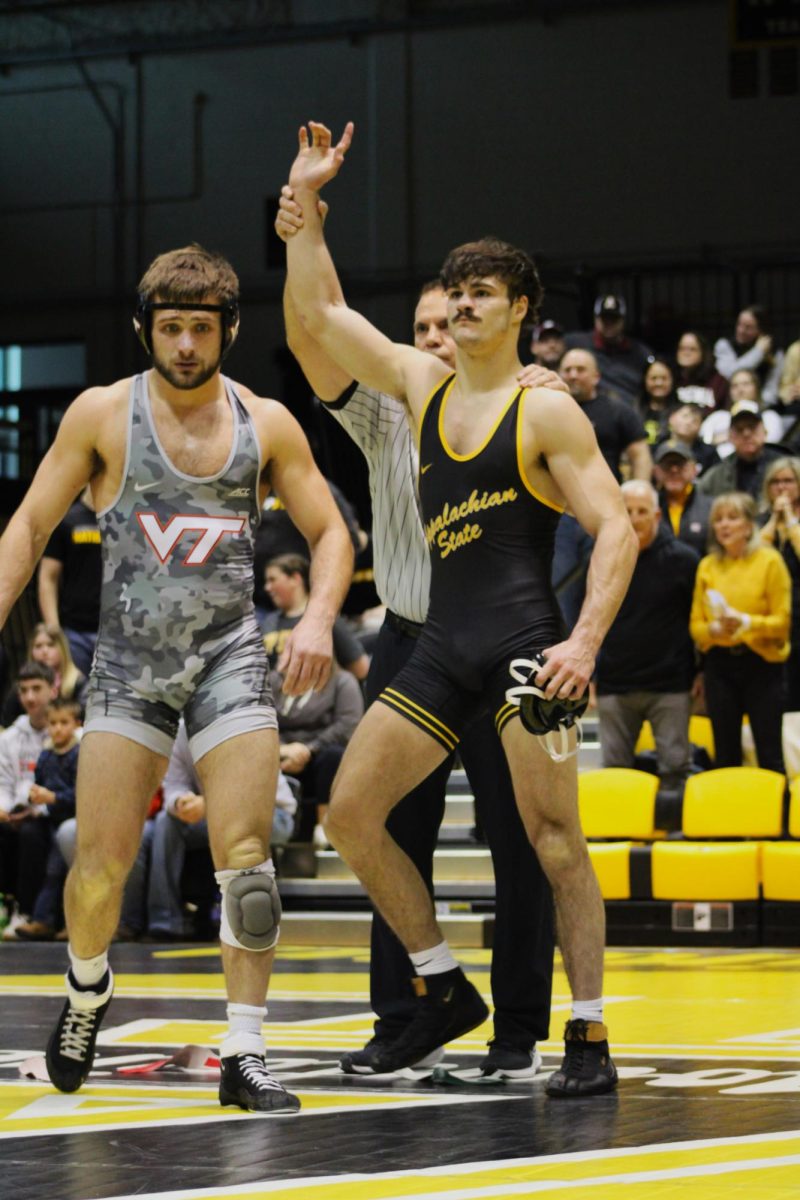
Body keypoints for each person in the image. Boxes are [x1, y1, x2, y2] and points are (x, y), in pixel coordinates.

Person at [284, 121, 638, 1097]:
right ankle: (441, 987)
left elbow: (614, 528)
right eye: (455, 294)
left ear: (520, 309)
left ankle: (587, 1033)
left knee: (553, 844)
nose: (463, 306)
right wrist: (305, 207)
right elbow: (318, 313)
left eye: (482, 293)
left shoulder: (547, 410)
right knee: (353, 814)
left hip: (527, 649)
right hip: (440, 642)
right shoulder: (421, 385)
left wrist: (581, 641)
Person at [0, 242, 353, 1114]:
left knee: (248, 863)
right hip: (128, 664)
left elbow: (335, 533)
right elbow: (30, 522)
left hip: (231, 658)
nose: (186, 344)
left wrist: (313, 620)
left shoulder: (265, 422)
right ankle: (87, 991)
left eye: (201, 327)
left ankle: (245, 1048)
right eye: (170, 328)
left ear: (228, 329)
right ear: (143, 329)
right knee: (98, 864)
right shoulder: (99, 415)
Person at [278, 192, 560, 1078]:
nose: (439, 334)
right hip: (411, 640)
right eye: (426, 323)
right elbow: (310, 329)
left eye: (453, 319)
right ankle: (409, 1012)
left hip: (502, 641)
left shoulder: (530, 404)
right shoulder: (385, 409)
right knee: (388, 830)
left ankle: (516, 1029)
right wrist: (301, 226)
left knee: (525, 842)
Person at [146, 720, 297, 940]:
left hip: (272, 813)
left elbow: (253, 791)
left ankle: (237, 917)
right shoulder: (182, 730)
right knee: (166, 822)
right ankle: (166, 921)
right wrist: (180, 802)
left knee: (228, 822)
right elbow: (174, 784)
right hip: (213, 813)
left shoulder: (242, 722)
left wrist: (209, 804)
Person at [596, 481, 699, 791]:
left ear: (656, 516)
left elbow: (697, 620)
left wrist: (701, 671)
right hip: (614, 683)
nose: (634, 517)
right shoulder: (602, 558)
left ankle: (678, 836)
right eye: (627, 511)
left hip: (670, 685)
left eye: (642, 511)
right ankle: (619, 834)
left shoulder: (685, 560)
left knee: (676, 768)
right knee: (615, 772)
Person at [690, 492, 790, 773]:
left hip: (762, 663)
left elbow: (782, 623)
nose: (724, 525)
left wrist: (747, 623)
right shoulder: (707, 565)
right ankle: (728, 816)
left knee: (769, 754)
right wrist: (713, 628)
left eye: (732, 518)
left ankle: (777, 815)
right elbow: (696, 627)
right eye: (718, 520)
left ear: (748, 526)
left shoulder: (769, 561)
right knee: (725, 755)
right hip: (720, 666)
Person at [554, 347, 650, 629]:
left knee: (602, 587)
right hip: (558, 514)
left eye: (580, 370)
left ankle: (596, 660)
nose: (573, 375)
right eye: (568, 369)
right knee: (560, 587)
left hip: (603, 513)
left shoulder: (616, 410)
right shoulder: (549, 408)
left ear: (596, 376)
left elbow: (640, 454)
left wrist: (637, 491)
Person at [271, 665, 363, 846]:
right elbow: (260, 719)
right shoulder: (272, 681)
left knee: (334, 757)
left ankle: (325, 826)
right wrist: (282, 750)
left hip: (321, 752)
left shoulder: (342, 680)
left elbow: (347, 724)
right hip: (279, 753)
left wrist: (308, 750)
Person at [14, 698, 81, 941]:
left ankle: (55, 922)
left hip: (75, 821)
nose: (57, 729)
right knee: (51, 871)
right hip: (51, 821)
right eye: (53, 723)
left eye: (64, 722)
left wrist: (53, 797)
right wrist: (31, 796)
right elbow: (37, 781)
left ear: (76, 724)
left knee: (60, 871)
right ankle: (44, 919)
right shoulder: (46, 754)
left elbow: (82, 794)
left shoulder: (79, 753)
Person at [0, 663, 58, 935]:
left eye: (37, 689)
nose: (30, 697)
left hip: (52, 814)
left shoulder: (65, 732)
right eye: (24, 690)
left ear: (53, 689)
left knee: (31, 833)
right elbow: (4, 782)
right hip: (17, 811)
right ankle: (6, 905)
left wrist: (38, 810)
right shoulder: (10, 736)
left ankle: (26, 911)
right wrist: (4, 808)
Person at [262, 553, 369, 681]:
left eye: (273, 580)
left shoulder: (324, 618)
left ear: (295, 579)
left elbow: (361, 668)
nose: (267, 587)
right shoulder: (268, 622)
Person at [37, 485, 102, 677]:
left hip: (114, 633)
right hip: (74, 632)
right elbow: (48, 577)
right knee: (72, 697)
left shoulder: (120, 522)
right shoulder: (67, 520)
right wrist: (53, 627)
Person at [758, 458, 800, 712]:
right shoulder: (762, 519)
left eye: (788, 481)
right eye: (775, 481)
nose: (782, 487)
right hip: (771, 618)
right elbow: (756, 557)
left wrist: (791, 521)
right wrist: (775, 519)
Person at [564, 293, 652, 406]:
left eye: (614, 319)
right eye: (605, 319)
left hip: (630, 410)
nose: (609, 323)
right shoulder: (575, 342)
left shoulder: (641, 352)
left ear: (623, 320)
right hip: (587, 408)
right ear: (596, 319)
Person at [699, 398, 786, 504]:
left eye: (752, 427)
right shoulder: (716, 477)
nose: (746, 434)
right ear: (730, 436)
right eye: (739, 429)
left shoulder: (787, 468)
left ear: (765, 432)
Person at [1, 623, 88, 726]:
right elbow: (6, 722)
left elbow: (85, 718)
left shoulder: (78, 682)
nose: (44, 651)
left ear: (63, 649)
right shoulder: (23, 684)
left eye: (51, 645)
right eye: (38, 646)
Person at [714, 306, 784, 408]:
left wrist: (755, 407)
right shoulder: (725, 344)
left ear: (761, 330)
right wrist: (758, 352)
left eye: (748, 327)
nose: (741, 330)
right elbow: (728, 374)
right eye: (739, 324)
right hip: (729, 405)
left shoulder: (775, 353)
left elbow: (772, 389)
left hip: (762, 406)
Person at [653, 440, 713, 557]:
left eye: (680, 464)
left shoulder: (711, 507)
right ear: (656, 471)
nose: (674, 470)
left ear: (694, 469)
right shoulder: (646, 508)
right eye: (667, 464)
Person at [658, 395, 719, 477]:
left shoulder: (709, 453)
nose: (689, 422)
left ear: (700, 427)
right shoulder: (657, 447)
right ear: (671, 418)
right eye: (685, 416)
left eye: (695, 420)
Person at [673, 330, 728, 409]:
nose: (686, 353)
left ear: (703, 352)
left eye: (692, 349)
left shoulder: (718, 381)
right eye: (682, 348)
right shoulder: (671, 378)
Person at [637, 358, 680, 445]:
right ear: (644, 380)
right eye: (653, 378)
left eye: (664, 378)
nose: (659, 383)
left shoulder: (681, 412)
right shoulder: (632, 410)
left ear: (673, 380)